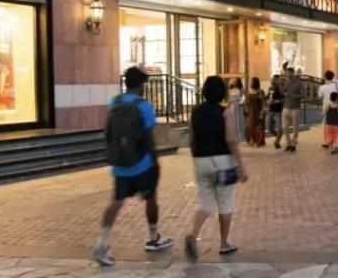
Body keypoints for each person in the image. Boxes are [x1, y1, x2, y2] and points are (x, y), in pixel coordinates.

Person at [94, 67, 172, 266]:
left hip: (120, 165)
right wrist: (155, 161)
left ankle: (102, 244)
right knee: (151, 198)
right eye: (144, 83)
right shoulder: (143, 106)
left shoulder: (115, 102)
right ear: (140, 84)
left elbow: (108, 132)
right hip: (142, 164)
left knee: (116, 202)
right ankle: (153, 238)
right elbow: (149, 137)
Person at [185, 76, 248, 261]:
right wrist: (240, 165)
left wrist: (196, 157)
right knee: (225, 202)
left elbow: (191, 139)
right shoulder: (225, 112)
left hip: (200, 160)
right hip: (222, 161)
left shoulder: (195, 112)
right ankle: (224, 243)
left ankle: (193, 234)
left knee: (205, 203)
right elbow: (231, 140)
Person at [318, 70, 338, 150]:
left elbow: (320, 96)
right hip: (335, 106)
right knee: (336, 125)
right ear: (333, 76)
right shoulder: (336, 85)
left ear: (325, 77)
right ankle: (337, 142)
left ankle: (327, 142)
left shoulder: (322, 87)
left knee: (327, 124)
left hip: (326, 106)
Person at [283, 68, 303, 152]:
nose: (286, 74)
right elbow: (283, 92)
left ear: (292, 73)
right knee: (284, 127)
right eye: (286, 73)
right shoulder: (286, 82)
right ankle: (288, 143)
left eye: (288, 73)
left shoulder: (299, 83)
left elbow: (302, 95)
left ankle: (293, 144)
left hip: (295, 108)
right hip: (286, 107)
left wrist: (291, 95)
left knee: (295, 128)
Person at [245, 77, 265, 146]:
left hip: (258, 111)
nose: (250, 83)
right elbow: (246, 101)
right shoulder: (248, 92)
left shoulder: (260, 91)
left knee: (258, 126)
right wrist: (245, 105)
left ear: (255, 83)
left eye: (251, 82)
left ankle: (258, 141)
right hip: (251, 111)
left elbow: (263, 102)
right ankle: (252, 139)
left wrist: (262, 112)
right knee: (249, 126)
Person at [324, 91, 338, 155]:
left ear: (330, 98)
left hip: (328, 124)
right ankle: (337, 146)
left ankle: (331, 149)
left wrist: (325, 121)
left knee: (329, 136)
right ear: (337, 99)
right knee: (337, 135)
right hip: (336, 124)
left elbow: (324, 113)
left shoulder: (327, 106)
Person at [267, 75, 285, 149]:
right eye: (272, 79)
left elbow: (284, 99)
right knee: (270, 128)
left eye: (274, 79)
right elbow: (268, 97)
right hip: (270, 110)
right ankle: (278, 137)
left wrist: (276, 101)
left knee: (279, 128)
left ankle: (277, 141)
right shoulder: (270, 88)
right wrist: (267, 101)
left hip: (278, 111)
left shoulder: (280, 88)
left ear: (277, 80)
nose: (272, 80)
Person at [228, 78, 246, 143]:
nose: (233, 82)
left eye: (235, 81)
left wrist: (241, 102)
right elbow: (229, 100)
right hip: (232, 107)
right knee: (233, 122)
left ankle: (240, 138)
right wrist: (228, 106)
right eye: (233, 80)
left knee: (239, 121)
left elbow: (244, 97)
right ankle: (233, 138)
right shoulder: (230, 90)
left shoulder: (241, 89)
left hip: (239, 107)